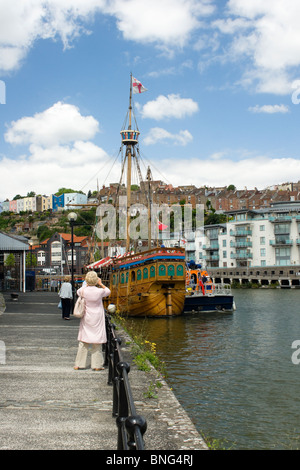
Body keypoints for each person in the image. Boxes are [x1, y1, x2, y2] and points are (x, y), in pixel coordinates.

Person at [74, 270, 111, 371]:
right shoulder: (99, 291)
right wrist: (100, 283)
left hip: (86, 316)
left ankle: (79, 364)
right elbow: (108, 291)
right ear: (96, 280)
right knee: (97, 341)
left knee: (83, 340)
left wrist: (85, 285)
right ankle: (97, 365)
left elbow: (79, 291)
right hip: (97, 316)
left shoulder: (83, 291)